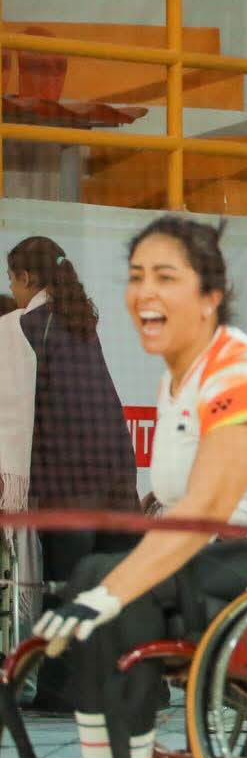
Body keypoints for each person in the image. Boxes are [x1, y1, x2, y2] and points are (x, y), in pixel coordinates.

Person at [22, 216, 247, 758]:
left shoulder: (241, 369)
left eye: (166, 277)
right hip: (222, 559)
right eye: (138, 277)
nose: (147, 292)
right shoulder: (179, 375)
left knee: (113, 587)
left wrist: (110, 592)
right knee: (89, 576)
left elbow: (210, 505)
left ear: (208, 295)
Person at [1, 237, 138, 712]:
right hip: (116, 478)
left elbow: (15, 417)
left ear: (26, 277)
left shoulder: (23, 327)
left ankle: (63, 691)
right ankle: (137, 683)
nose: (13, 291)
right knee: (112, 588)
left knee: (66, 587)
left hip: (67, 481)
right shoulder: (82, 323)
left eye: (12, 280)